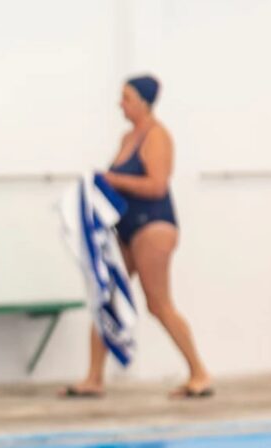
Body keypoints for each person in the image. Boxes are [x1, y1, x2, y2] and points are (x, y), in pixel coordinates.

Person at [66, 75, 212, 398]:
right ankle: (93, 378)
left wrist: (113, 180)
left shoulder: (158, 137)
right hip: (126, 227)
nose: (121, 104)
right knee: (106, 298)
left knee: (158, 304)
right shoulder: (126, 138)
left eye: (126, 98)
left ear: (143, 102)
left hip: (154, 227)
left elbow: (157, 185)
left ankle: (199, 373)